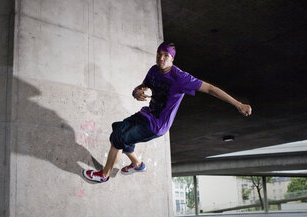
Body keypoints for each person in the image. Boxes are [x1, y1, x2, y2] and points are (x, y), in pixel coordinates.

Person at [82, 42, 252, 183]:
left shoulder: (181, 78)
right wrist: (137, 92)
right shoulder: (153, 70)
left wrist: (237, 104)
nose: (161, 58)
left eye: (166, 56)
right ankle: (138, 164)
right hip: (146, 114)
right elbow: (142, 87)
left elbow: (210, 89)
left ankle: (104, 175)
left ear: (172, 58)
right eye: (159, 54)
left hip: (157, 125)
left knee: (118, 138)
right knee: (117, 128)